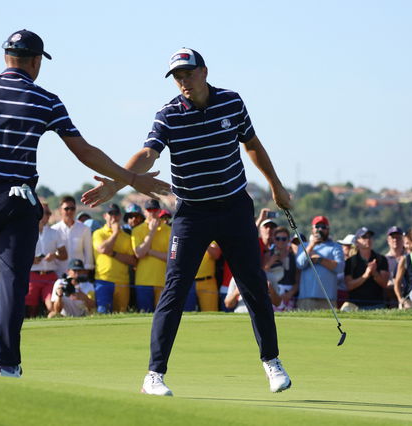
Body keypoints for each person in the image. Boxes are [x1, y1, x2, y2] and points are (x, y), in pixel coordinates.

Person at [0, 29, 169, 378]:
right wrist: (131, 179)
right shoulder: (45, 99)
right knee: (12, 281)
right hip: (16, 198)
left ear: (5, 58)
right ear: (35, 61)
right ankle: (8, 364)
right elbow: (83, 151)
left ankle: (2, 357)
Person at [82, 48, 293, 395]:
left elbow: (251, 143)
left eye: (188, 74)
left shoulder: (232, 102)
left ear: (204, 72)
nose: (183, 82)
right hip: (192, 213)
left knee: (253, 283)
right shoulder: (167, 115)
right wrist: (118, 182)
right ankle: (154, 374)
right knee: (176, 289)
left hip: (234, 206)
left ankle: (271, 361)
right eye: (177, 77)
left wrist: (276, 185)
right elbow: (148, 153)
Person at [92, 204, 136, 313]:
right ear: (105, 216)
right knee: (103, 311)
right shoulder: (98, 233)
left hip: (122, 281)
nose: (113, 217)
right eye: (110, 213)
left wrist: (113, 254)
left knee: (122, 313)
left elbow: (133, 260)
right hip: (103, 280)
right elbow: (102, 249)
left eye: (116, 213)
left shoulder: (127, 237)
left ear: (120, 216)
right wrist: (115, 233)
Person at [26, 203, 66, 317]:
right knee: (30, 308)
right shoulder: (27, 232)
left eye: (49, 213)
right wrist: (31, 259)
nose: (48, 216)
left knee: (52, 307)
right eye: (45, 213)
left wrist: (55, 255)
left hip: (49, 275)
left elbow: (64, 254)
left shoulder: (54, 232)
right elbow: (18, 254)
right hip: (32, 275)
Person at [131, 200, 171, 313]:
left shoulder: (169, 230)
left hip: (162, 281)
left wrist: (150, 252)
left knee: (162, 315)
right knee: (144, 314)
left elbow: (171, 257)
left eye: (155, 210)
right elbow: (139, 254)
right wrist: (152, 231)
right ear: (144, 212)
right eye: (149, 210)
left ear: (159, 211)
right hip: (144, 281)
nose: (152, 213)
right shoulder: (137, 230)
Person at [296, 216, 344, 310]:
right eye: (317, 226)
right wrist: (311, 245)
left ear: (328, 229)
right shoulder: (303, 246)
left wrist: (320, 260)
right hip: (307, 297)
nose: (320, 229)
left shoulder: (335, 247)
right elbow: (300, 264)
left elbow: (340, 268)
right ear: (312, 229)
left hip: (328, 299)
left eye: (323, 227)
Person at [344, 227, 389, 310]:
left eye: (370, 237)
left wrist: (374, 273)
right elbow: (349, 285)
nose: (368, 239)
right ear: (357, 241)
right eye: (364, 237)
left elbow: (384, 283)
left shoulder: (381, 259)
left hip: (377, 305)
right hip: (355, 305)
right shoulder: (350, 262)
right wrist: (366, 275)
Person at [52, 196, 95, 278]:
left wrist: (86, 272)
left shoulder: (84, 229)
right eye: (66, 209)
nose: (70, 211)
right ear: (60, 210)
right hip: (59, 274)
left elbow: (88, 253)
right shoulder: (54, 229)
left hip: (79, 275)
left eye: (72, 208)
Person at [264, 227, 299, 311]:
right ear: (274, 240)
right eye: (278, 238)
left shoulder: (293, 256)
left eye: (284, 239)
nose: (280, 241)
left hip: (288, 294)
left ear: (288, 240)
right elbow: (262, 273)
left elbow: (298, 279)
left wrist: (290, 294)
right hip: (273, 292)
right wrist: (270, 263)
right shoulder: (268, 255)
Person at [384, 226, 405, 308]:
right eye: (393, 238)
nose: (395, 240)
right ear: (388, 240)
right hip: (390, 299)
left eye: (398, 238)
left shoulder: (409, 259)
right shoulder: (384, 260)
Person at [336, 234, 355, 308]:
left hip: (348, 296)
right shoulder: (341, 262)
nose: (342, 248)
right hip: (340, 296)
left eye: (346, 245)